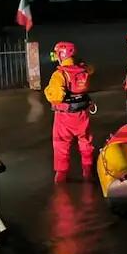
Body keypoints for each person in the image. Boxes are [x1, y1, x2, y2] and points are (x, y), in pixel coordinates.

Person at [43, 41, 96, 183]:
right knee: (86, 143)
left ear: (62, 54)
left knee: (61, 145)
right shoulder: (83, 71)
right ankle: (87, 172)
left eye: (56, 54)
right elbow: (90, 71)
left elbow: (56, 97)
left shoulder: (59, 74)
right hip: (82, 115)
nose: (55, 57)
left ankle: (61, 176)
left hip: (64, 117)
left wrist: (47, 91)